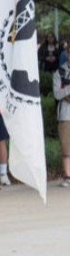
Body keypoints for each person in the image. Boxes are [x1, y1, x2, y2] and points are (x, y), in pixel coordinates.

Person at [53, 56, 70, 187]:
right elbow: (57, 94)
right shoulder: (59, 72)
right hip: (65, 115)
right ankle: (67, 176)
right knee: (66, 147)